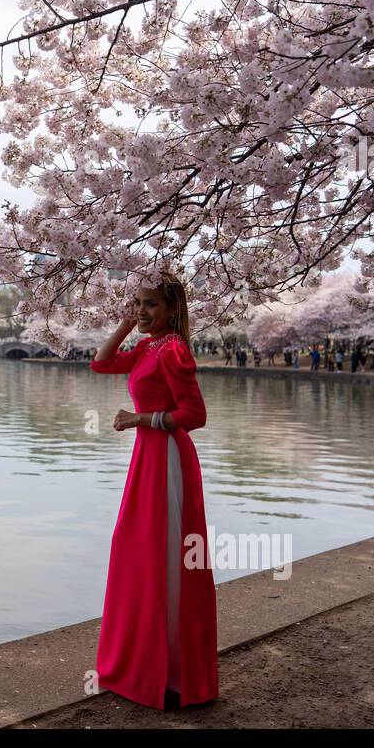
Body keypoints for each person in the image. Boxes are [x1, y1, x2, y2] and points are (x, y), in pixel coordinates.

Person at [89, 273, 219, 710]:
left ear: (171, 310)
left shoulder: (174, 350)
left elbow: (195, 414)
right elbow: (101, 363)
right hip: (147, 459)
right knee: (136, 551)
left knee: (162, 557)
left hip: (166, 460)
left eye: (150, 305)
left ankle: (172, 675)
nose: (143, 311)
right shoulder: (149, 346)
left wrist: (140, 420)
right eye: (138, 303)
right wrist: (127, 325)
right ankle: (143, 666)